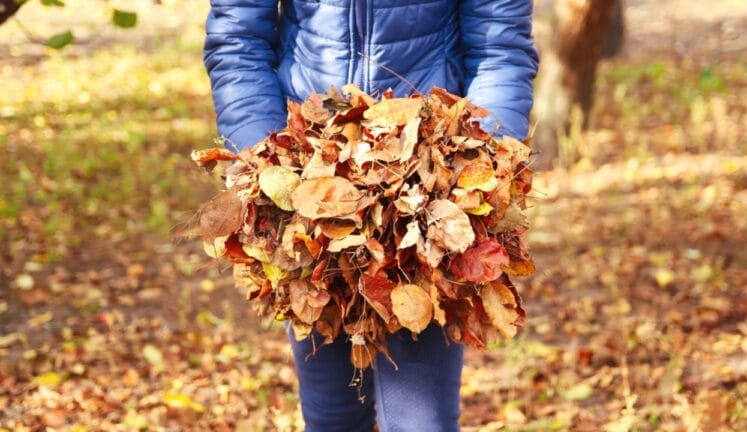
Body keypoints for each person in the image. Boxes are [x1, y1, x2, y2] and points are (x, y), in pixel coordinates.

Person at [203, 1, 538, 431]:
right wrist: (265, 159)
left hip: (429, 195)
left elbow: (500, 47)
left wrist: (480, 162)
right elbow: (238, 39)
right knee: (334, 418)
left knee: (421, 422)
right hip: (308, 185)